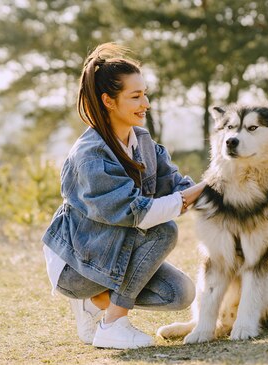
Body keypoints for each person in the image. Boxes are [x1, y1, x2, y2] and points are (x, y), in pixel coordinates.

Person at [42, 43, 205, 349]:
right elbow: (137, 214)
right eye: (135, 96)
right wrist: (192, 196)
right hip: (77, 263)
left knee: (179, 293)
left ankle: (96, 301)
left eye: (145, 93)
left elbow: (175, 183)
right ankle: (113, 323)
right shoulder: (91, 156)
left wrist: (218, 188)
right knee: (163, 231)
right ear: (108, 101)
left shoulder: (142, 141)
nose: (146, 103)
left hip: (114, 251)